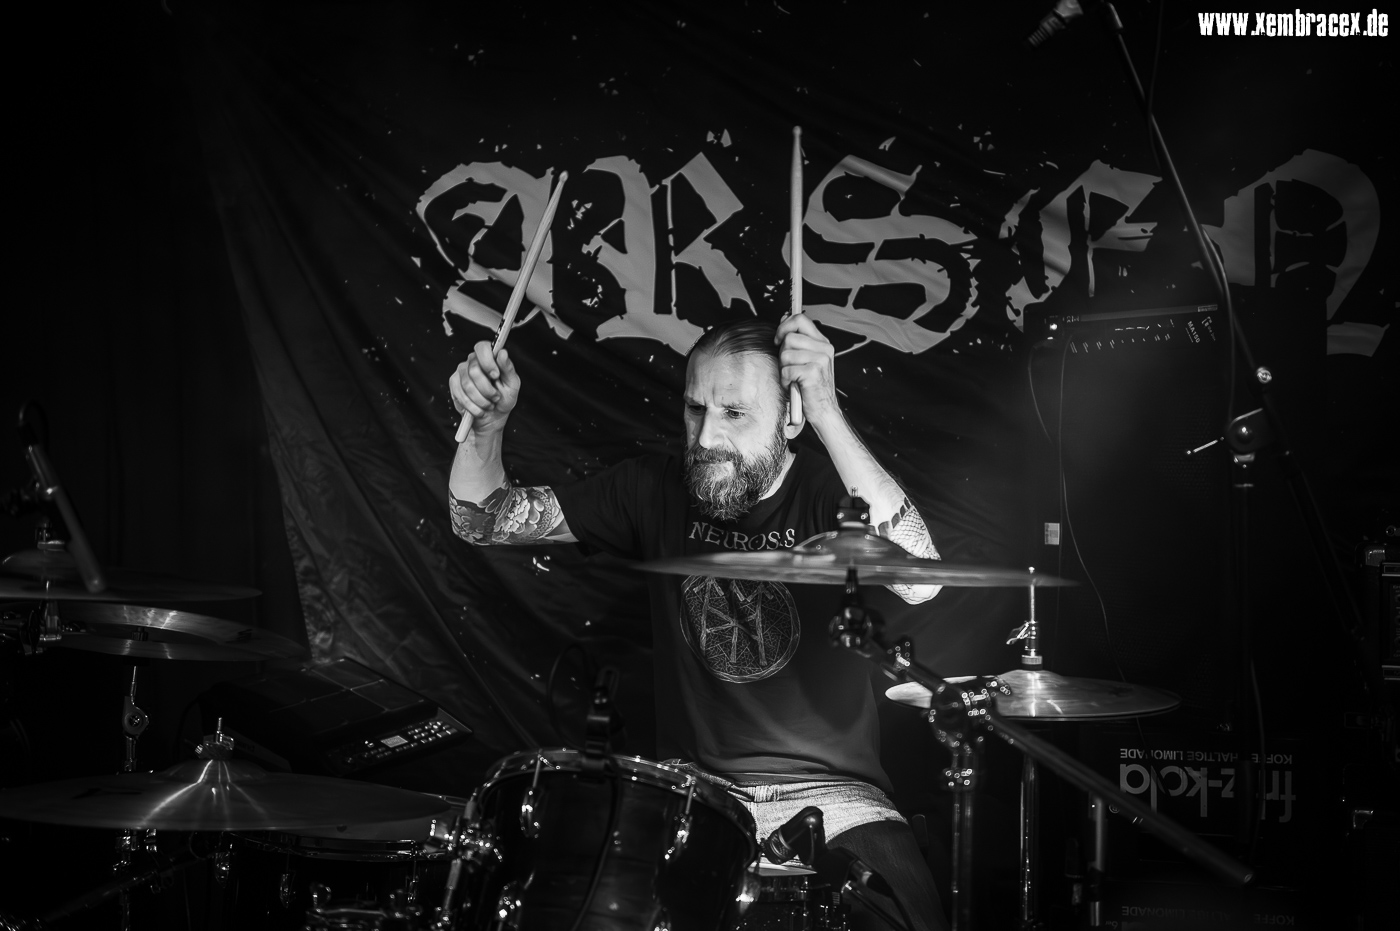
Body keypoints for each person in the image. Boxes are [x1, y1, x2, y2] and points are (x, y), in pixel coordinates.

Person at [448, 315, 949, 931]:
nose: (707, 435)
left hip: (836, 799)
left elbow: (921, 581)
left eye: (734, 413)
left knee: (907, 916)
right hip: (696, 795)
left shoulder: (833, 494)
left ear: (789, 419)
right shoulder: (652, 487)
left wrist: (825, 409)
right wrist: (486, 429)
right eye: (694, 409)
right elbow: (481, 520)